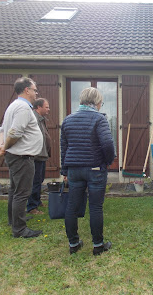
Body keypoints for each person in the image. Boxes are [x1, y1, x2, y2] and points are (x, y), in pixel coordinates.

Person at [60, 87, 115, 255]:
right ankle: (98, 246)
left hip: (74, 170)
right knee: (96, 207)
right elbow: (107, 144)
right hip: (95, 168)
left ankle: (73, 244)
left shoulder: (67, 120)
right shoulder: (99, 118)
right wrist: (109, 161)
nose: (101, 106)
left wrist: (64, 170)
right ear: (97, 102)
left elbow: (64, 147)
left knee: (71, 206)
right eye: (101, 103)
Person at [0, 77, 44, 238]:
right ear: (26, 90)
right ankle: (20, 229)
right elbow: (15, 132)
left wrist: (3, 146)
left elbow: (2, 130)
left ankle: (14, 221)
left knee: (15, 191)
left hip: (16, 155)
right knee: (22, 192)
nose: (36, 92)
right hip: (22, 157)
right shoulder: (22, 108)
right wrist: (5, 147)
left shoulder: (13, 106)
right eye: (34, 89)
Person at [27, 98, 51, 215]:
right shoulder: (34, 118)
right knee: (35, 181)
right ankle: (32, 207)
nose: (48, 109)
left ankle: (37, 201)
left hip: (42, 155)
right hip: (36, 155)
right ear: (39, 107)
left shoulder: (41, 119)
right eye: (46, 107)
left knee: (39, 180)